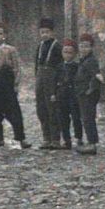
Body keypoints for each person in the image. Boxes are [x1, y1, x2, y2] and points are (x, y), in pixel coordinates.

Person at [0, 23, 28, 148]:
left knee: (14, 112)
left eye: (0, 34)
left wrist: (16, 84)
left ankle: (20, 137)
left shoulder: (11, 50)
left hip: (7, 83)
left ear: (5, 35)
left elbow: (17, 68)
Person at [33, 21, 66, 150]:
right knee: (41, 109)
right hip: (41, 79)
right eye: (42, 32)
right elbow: (36, 65)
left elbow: (61, 67)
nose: (44, 35)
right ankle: (46, 138)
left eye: (47, 32)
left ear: (52, 32)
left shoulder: (57, 46)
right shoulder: (40, 46)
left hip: (52, 80)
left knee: (53, 109)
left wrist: (58, 84)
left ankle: (56, 139)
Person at [70, 34, 104, 155]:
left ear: (91, 48)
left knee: (88, 118)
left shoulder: (91, 61)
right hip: (82, 93)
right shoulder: (83, 60)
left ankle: (92, 143)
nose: (84, 49)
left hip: (87, 95)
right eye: (82, 46)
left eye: (86, 46)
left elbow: (97, 77)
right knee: (85, 118)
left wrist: (89, 91)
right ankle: (90, 142)